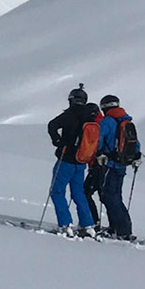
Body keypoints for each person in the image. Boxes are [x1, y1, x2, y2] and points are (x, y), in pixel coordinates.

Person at [45, 85, 98, 236]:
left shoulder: (69, 114)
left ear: (71, 100)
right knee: (78, 193)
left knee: (57, 191)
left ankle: (65, 224)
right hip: (81, 160)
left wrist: (58, 141)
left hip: (66, 158)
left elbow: (52, 125)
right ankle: (88, 226)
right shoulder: (91, 116)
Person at [96, 96, 141, 240]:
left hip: (110, 163)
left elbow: (99, 139)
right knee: (116, 195)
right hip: (123, 163)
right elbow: (136, 144)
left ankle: (122, 230)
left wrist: (98, 154)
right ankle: (117, 227)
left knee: (108, 196)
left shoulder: (108, 121)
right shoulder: (126, 121)